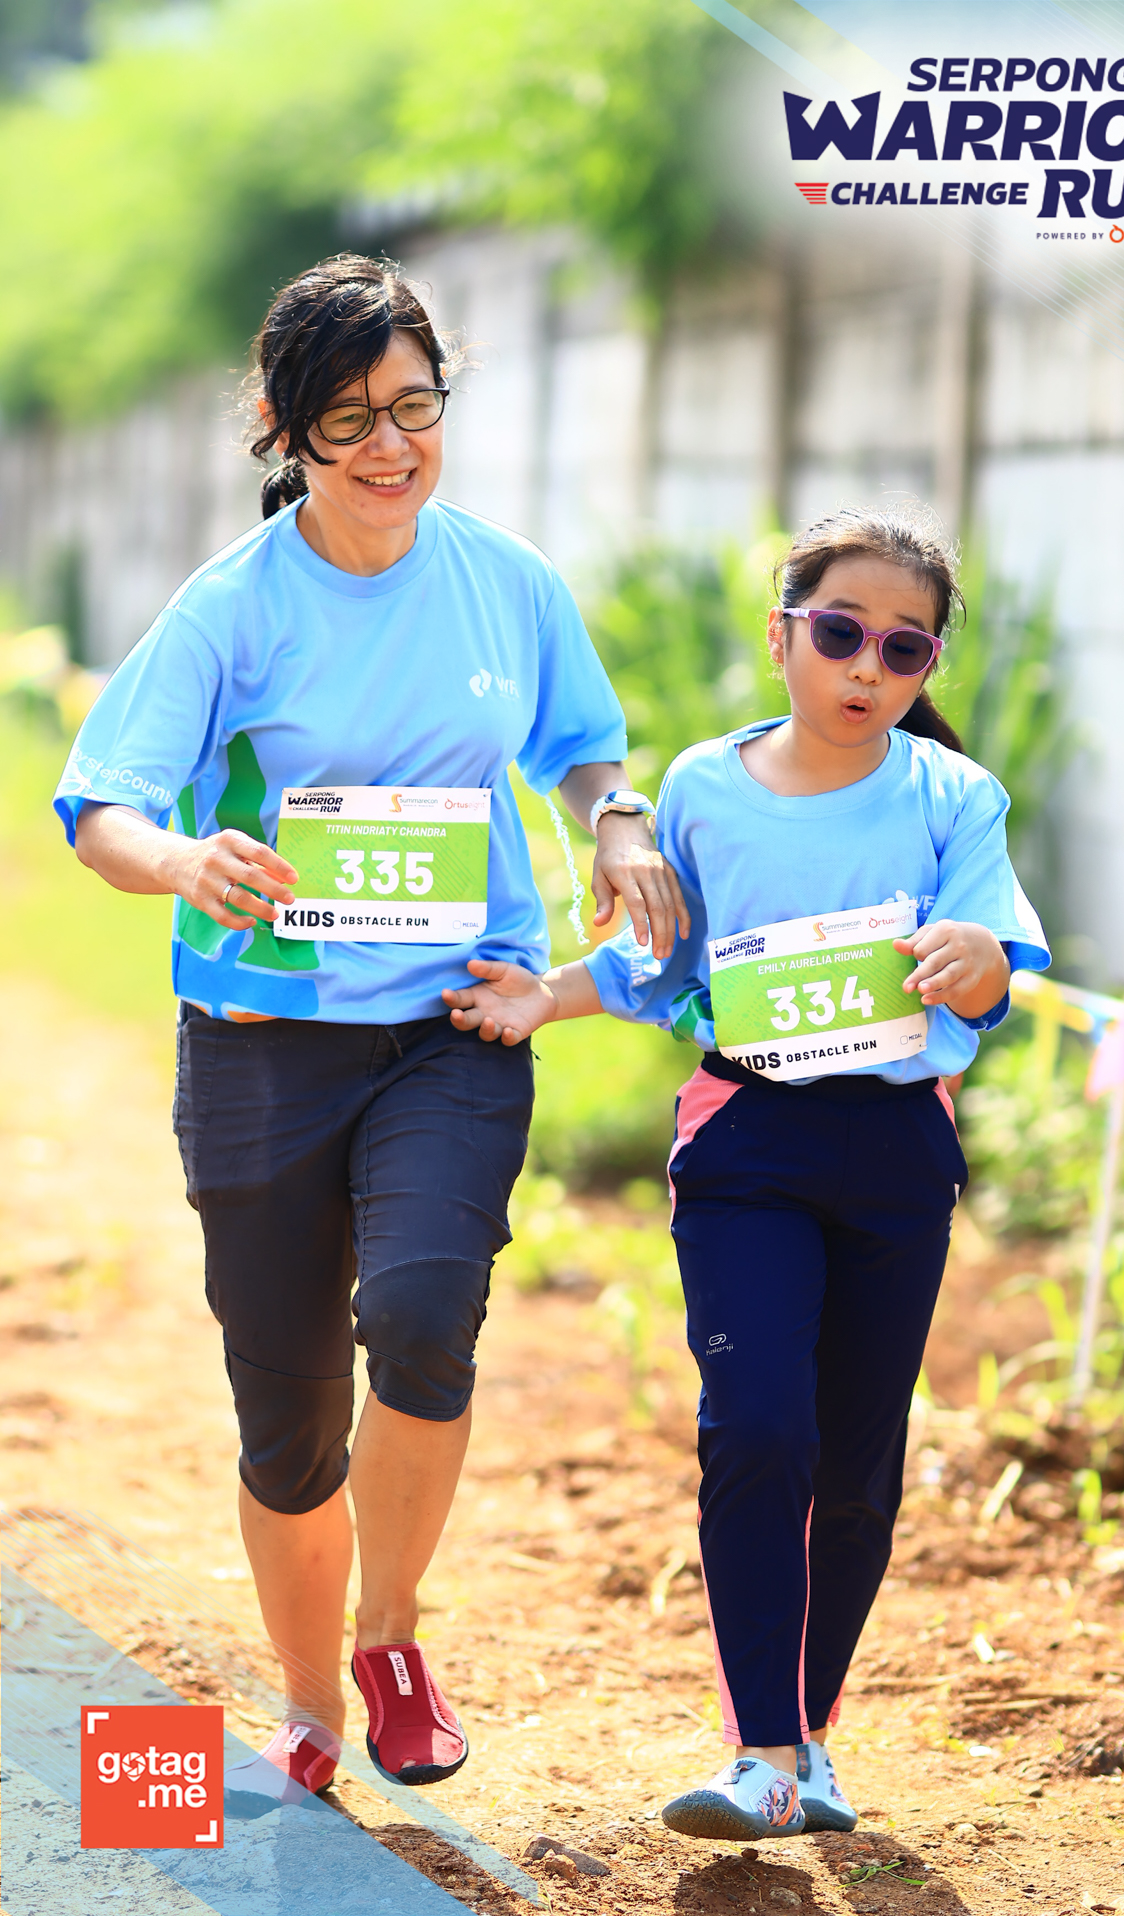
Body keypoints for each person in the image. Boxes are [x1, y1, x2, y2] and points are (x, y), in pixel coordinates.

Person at [53, 253, 688, 1797]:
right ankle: (308, 1693)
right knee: (287, 1414)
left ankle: (391, 1637)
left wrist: (616, 825)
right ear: (286, 431)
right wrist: (183, 862)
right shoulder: (232, 609)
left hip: (451, 1024)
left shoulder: (507, 583)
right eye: (350, 420)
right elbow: (103, 808)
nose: (392, 446)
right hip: (262, 1041)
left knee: (419, 1313)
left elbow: (586, 749)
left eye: (416, 406)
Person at [442, 504, 1051, 1839]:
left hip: (896, 1152)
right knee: (759, 1425)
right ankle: (761, 1752)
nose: (867, 668)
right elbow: (661, 962)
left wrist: (976, 962)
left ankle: (811, 1743)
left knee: (861, 1461)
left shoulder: (957, 798)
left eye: (904, 649)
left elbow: (993, 963)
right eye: (840, 633)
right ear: (783, 635)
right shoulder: (702, 789)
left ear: (928, 668)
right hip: (748, 1145)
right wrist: (541, 996)